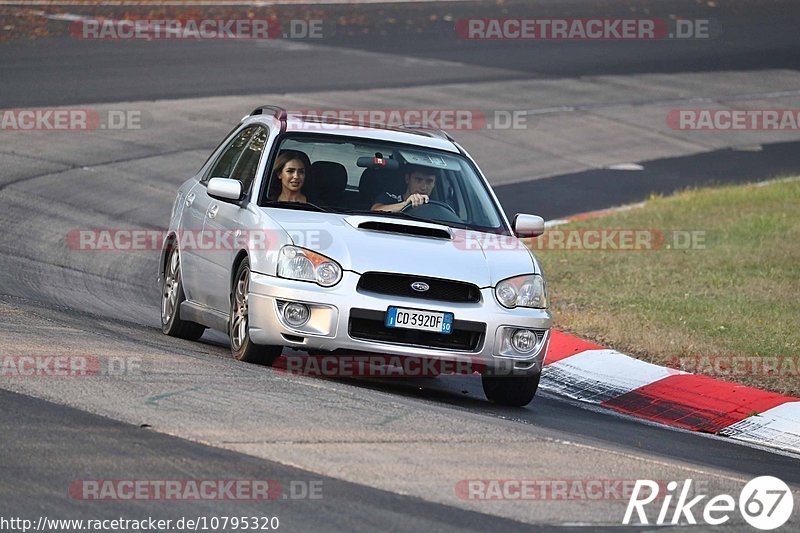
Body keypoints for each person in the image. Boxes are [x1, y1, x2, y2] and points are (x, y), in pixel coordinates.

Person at [371, 165, 437, 212]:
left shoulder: (437, 207)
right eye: (418, 180)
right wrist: (406, 204)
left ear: (434, 184)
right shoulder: (390, 198)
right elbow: (374, 211)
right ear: (407, 179)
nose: (423, 187)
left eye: (429, 181)